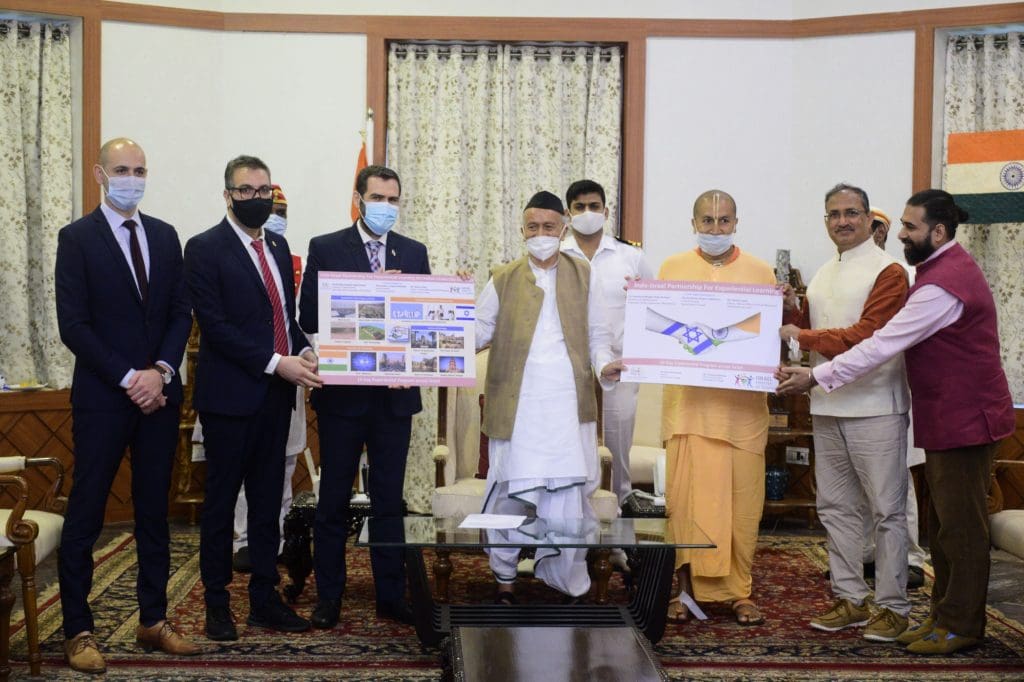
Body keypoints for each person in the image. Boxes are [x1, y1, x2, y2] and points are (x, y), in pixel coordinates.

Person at [777, 189, 1015, 654]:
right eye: (834, 214)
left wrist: (816, 375)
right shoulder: (924, 271)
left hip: (962, 417)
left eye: (909, 226)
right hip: (943, 417)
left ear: (938, 232)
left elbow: (880, 341)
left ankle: (956, 623)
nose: (899, 232)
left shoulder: (937, 280)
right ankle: (941, 615)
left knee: (956, 528)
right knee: (943, 525)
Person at [55, 137, 199, 673]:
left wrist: (160, 371)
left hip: (159, 397)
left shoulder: (164, 236)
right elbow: (74, 325)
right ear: (99, 173)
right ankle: (78, 630)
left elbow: (180, 312)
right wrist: (128, 376)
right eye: (121, 169)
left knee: (153, 514)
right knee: (87, 514)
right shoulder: (77, 239)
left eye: (139, 169)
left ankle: (152, 621)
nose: (131, 177)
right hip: (103, 398)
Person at [184, 155, 322, 642]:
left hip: (276, 400)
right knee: (222, 508)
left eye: (264, 190)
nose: (256, 198)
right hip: (229, 402)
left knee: (269, 508)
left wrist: (304, 349)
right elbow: (216, 329)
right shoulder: (203, 248)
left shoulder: (280, 246)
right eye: (246, 191)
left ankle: (265, 599)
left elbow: (284, 316)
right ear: (228, 195)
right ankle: (217, 606)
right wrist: (275, 361)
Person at [298, 165, 430, 629]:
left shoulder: (414, 252)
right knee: (333, 499)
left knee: (389, 500)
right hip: (344, 399)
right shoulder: (327, 247)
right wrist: (372, 294)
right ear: (358, 199)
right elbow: (308, 314)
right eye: (378, 198)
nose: (386, 208)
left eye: (394, 200)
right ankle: (328, 596)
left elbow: (421, 328)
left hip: (394, 399)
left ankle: (391, 595)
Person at [779, 184, 912, 641]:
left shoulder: (890, 270)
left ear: (870, 219)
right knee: (835, 508)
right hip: (827, 404)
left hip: (876, 406)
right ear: (825, 221)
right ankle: (851, 599)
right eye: (834, 214)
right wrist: (791, 309)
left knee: (887, 511)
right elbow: (810, 333)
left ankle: (893, 607)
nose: (843, 221)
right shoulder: (820, 273)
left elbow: (867, 336)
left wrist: (802, 334)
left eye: (851, 213)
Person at [476, 190, 622, 604]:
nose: (541, 234)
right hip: (517, 405)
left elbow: (598, 335)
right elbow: (477, 330)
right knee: (508, 495)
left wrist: (605, 365)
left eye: (549, 227)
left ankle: (564, 582)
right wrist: (431, 351)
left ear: (563, 228)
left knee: (565, 500)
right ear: (523, 230)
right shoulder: (502, 277)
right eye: (533, 227)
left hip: (566, 405)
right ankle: (504, 580)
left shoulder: (583, 273)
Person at [659, 189, 774, 626]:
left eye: (723, 221)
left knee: (743, 508)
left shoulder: (761, 272)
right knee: (686, 508)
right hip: (689, 408)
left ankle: (740, 593)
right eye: (706, 221)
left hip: (741, 411)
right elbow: (657, 327)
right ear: (694, 224)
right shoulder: (672, 268)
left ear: (736, 223)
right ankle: (683, 591)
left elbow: (765, 332)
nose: (715, 229)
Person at [560, 179, 653, 507]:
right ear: (568, 215)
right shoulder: (555, 256)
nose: (588, 213)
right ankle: (572, 531)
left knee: (616, 452)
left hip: (619, 370)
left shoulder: (631, 257)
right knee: (569, 451)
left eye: (594, 206)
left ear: (606, 211)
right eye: (580, 207)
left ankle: (616, 540)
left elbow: (657, 310)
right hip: (566, 371)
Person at [231, 183, 308, 572]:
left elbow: (297, 321)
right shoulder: (226, 252)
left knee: (286, 461)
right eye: (271, 207)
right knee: (248, 468)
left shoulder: (288, 259)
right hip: (247, 377)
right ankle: (245, 539)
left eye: (282, 210)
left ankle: (276, 536)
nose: (275, 216)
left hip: (290, 378)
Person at [863, 207, 928, 590]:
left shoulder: (901, 273)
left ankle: (910, 558)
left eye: (878, 229)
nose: (871, 234)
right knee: (859, 488)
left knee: (896, 484)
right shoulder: (837, 272)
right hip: (852, 394)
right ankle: (870, 555)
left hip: (891, 391)